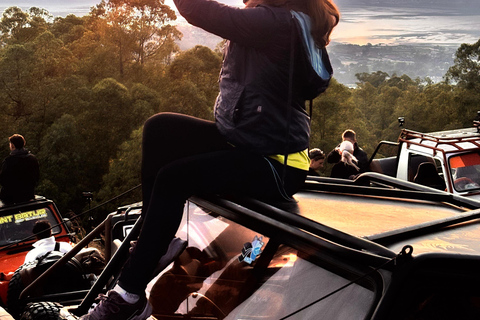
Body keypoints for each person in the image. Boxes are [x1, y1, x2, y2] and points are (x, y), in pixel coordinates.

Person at [80, 0, 339, 318]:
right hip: (251, 139)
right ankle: (155, 242)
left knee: (173, 178)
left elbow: (196, 9)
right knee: (160, 129)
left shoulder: (273, 24)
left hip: (277, 164)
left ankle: (127, 296)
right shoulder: (285, 20)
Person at [0, 134, 40, 205]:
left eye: (10, 143)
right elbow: (37, 177)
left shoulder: (9, 161)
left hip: (10, 198)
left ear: (13, 145)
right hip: (28, 195)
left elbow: (3, 180)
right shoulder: (33, 159)